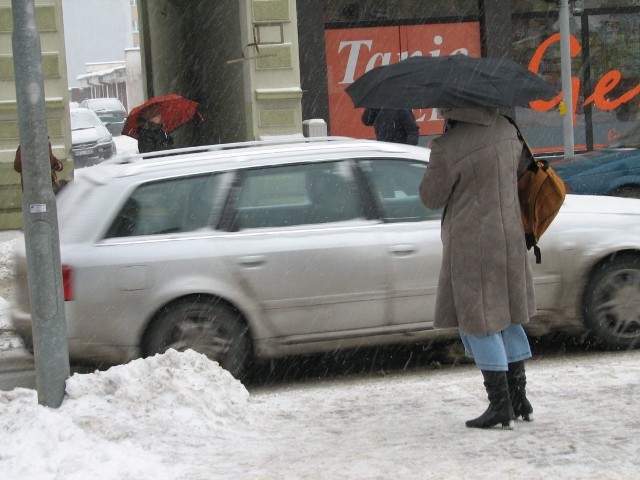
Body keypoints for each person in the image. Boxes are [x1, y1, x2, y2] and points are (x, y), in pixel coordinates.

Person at [419, 107, 536, 430]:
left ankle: (500, 405)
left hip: (473, 244)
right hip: (510, 238)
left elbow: (430, 197)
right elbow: (522, 168)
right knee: (507, 315)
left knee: (479, 321)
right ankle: (518, 397)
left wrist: (441, 155)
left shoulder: (448, 147)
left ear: (450, 108)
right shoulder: (507, 130)